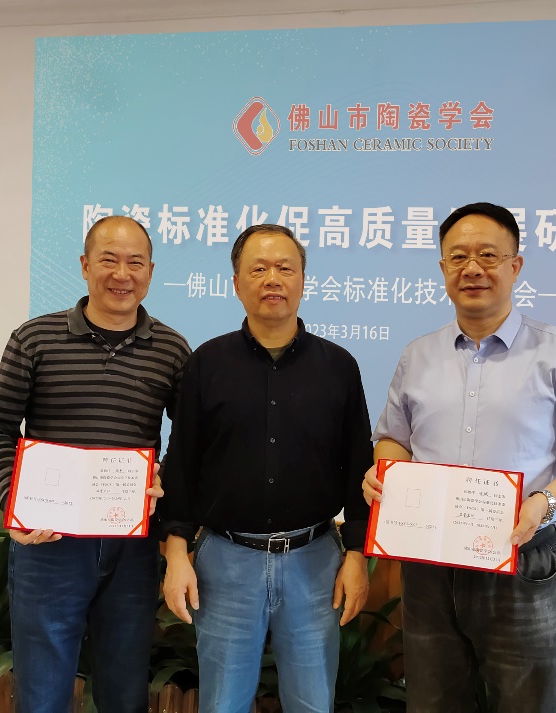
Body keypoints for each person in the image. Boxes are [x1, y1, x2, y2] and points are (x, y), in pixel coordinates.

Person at [363, 202, 556, 713]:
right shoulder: (418, 355)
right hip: (430, 563)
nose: (472, 269)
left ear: (515, 265)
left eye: (488, 255)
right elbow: (393, 439)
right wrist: (384, 472)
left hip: (521, 560)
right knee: (433, 703)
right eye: (458, 257)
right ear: (443, 268)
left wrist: (544, 501)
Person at [0, 215, 191, 713]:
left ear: (151, 271)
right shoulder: (34, 339)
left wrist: (164, 478)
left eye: (135, 262)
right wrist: (14, 503)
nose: (122, 274)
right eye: (108, 260)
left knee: (125, 692)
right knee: (43, 695)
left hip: (132, 547)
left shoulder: (172, 349)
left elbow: (189, 442)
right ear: (84, 265)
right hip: (49, 544)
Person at [159, 223, 373, 713]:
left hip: (315, 561)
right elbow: (183, 462)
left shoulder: (339, 366)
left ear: (303, 280)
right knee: (222, 704)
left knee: (312, 703)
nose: (272, 278)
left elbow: (359, 466)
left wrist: (358, 556)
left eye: (284, 268)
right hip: (225, 561)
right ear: (236, 283)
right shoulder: (206, 364)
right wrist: (176, 555)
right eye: (258, 269)